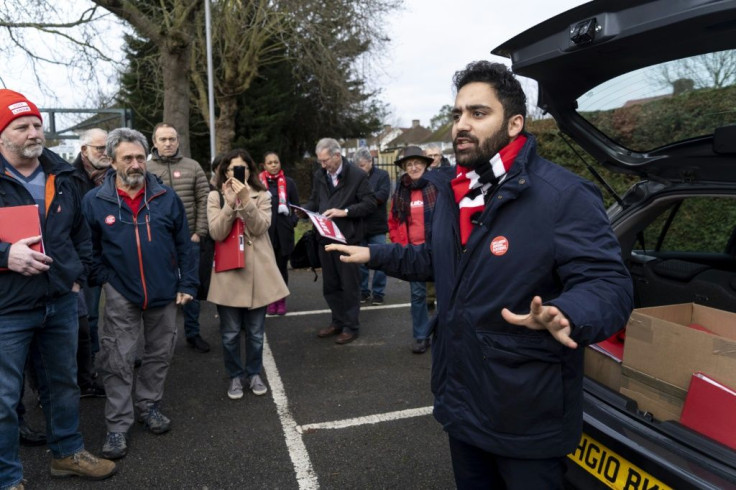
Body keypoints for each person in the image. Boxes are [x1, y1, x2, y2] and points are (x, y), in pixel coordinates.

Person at [325, 61, 633, 488]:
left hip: (527, 418)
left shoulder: (563, 195)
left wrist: (567, 311)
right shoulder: (456, 194)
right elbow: (437, 261)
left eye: (478, 113)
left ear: (514, 124)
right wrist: (374, 254)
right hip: (462, 407)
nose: (461, 126)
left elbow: (609, 284)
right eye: (456, 115)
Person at [0, 89, 117, 488]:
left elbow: (80, 234)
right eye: (22, 127)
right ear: (2, 136)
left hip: (60, 302)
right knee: (3, 398)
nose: (34, 132)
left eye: (37, 124)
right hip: (7, 308)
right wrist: (5, 254)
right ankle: (7, 477)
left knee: (63, 384)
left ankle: (67, 453)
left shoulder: (61, 174)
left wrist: (76, 276)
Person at [82, 128, 198, 460]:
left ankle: (149, 405)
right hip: (121, 293)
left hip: (164, 292)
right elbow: (88, 250)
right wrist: (105, 279)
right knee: (117, 359)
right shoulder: (95, 201)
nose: (135, 164)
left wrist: (188, 284)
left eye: (139, 157)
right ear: (112, 160)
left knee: (160, 354)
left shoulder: (166, 197)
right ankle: (118, 426)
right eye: (127, 158)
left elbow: (184, 245)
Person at [208, 149, 289, 399]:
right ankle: (235, 376)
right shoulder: (215, 196)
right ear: (224, 171)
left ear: (250, 171)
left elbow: (261, 226)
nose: (236, 173)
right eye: (232, 169)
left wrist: (246, 199)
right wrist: (231, 202)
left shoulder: (263, 194)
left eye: (241, 168)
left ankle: (254, 373)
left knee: (255, 333)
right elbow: (216, 233)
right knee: (230, 333)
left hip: (257, 272)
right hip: (228, 272)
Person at [302, 138, 376, 345]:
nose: (322, 165)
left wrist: (345, 212)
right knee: (331, 284)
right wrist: (303, 211)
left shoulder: (357, 175)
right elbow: (315, 200)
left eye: (325, 161)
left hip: (347, 239)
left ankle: (351, 326)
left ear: (337, 156)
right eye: (320, 161)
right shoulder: (320, 175)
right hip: (325, 238)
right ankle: (338, 321)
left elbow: (370, 203)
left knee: (349, 285)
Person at [148, 123, 211, 353]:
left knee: (190, 288)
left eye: (172, 139)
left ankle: (193, 334)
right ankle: (161, 341)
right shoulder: (145, 168)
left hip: (189, 240)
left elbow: (204, 199)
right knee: (161, 290)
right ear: (154, 142)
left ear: (178, 141)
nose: (168, 143)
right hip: (159, 244)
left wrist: (199, 232)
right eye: (163, 139)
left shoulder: (192, 167)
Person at [72, 128, 110, 398]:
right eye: (99, 149)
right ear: (84, 150)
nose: (105, 154)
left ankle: (118, 358)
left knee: (122, 310)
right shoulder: (70, 178)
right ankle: (90, 369)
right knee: (90, 317)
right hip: (87, 257)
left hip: (116, 254)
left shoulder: (116, 174)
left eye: (108, 148)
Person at [387, 146, 435, 354]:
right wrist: (400, 244)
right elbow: (394, 220)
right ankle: (421, 336)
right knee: (417, 296)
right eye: (409, 164)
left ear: (425, 165)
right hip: (414, 251)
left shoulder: (436, 186)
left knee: (445, 294)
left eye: (417, 163)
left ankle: (447, 334)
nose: (413, 167)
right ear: (405, 168)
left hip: (437, 248)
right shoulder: (401, 190)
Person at [259, 151, 299, 316]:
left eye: (276, 162)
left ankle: (281, 300)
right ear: (264, 165)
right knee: (268, 269)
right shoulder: (258, 184)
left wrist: (292, 222)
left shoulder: (289, 183)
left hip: (283, 233)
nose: (274, 165)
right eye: (270, 162)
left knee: (281, 268)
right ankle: (270, 300)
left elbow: (296, 207)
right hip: (265, 233)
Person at [354, 148, 390, 306]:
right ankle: (363, 291)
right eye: (357, 166)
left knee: (380, 260)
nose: (360, 168)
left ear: (370, 162)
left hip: (378, 225)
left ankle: (378, 292)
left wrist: (364, 202)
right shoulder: (355, 177)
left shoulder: (382, 175)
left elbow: (382, 196)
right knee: (361, 262)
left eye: (362, 165)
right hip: (360, 225)